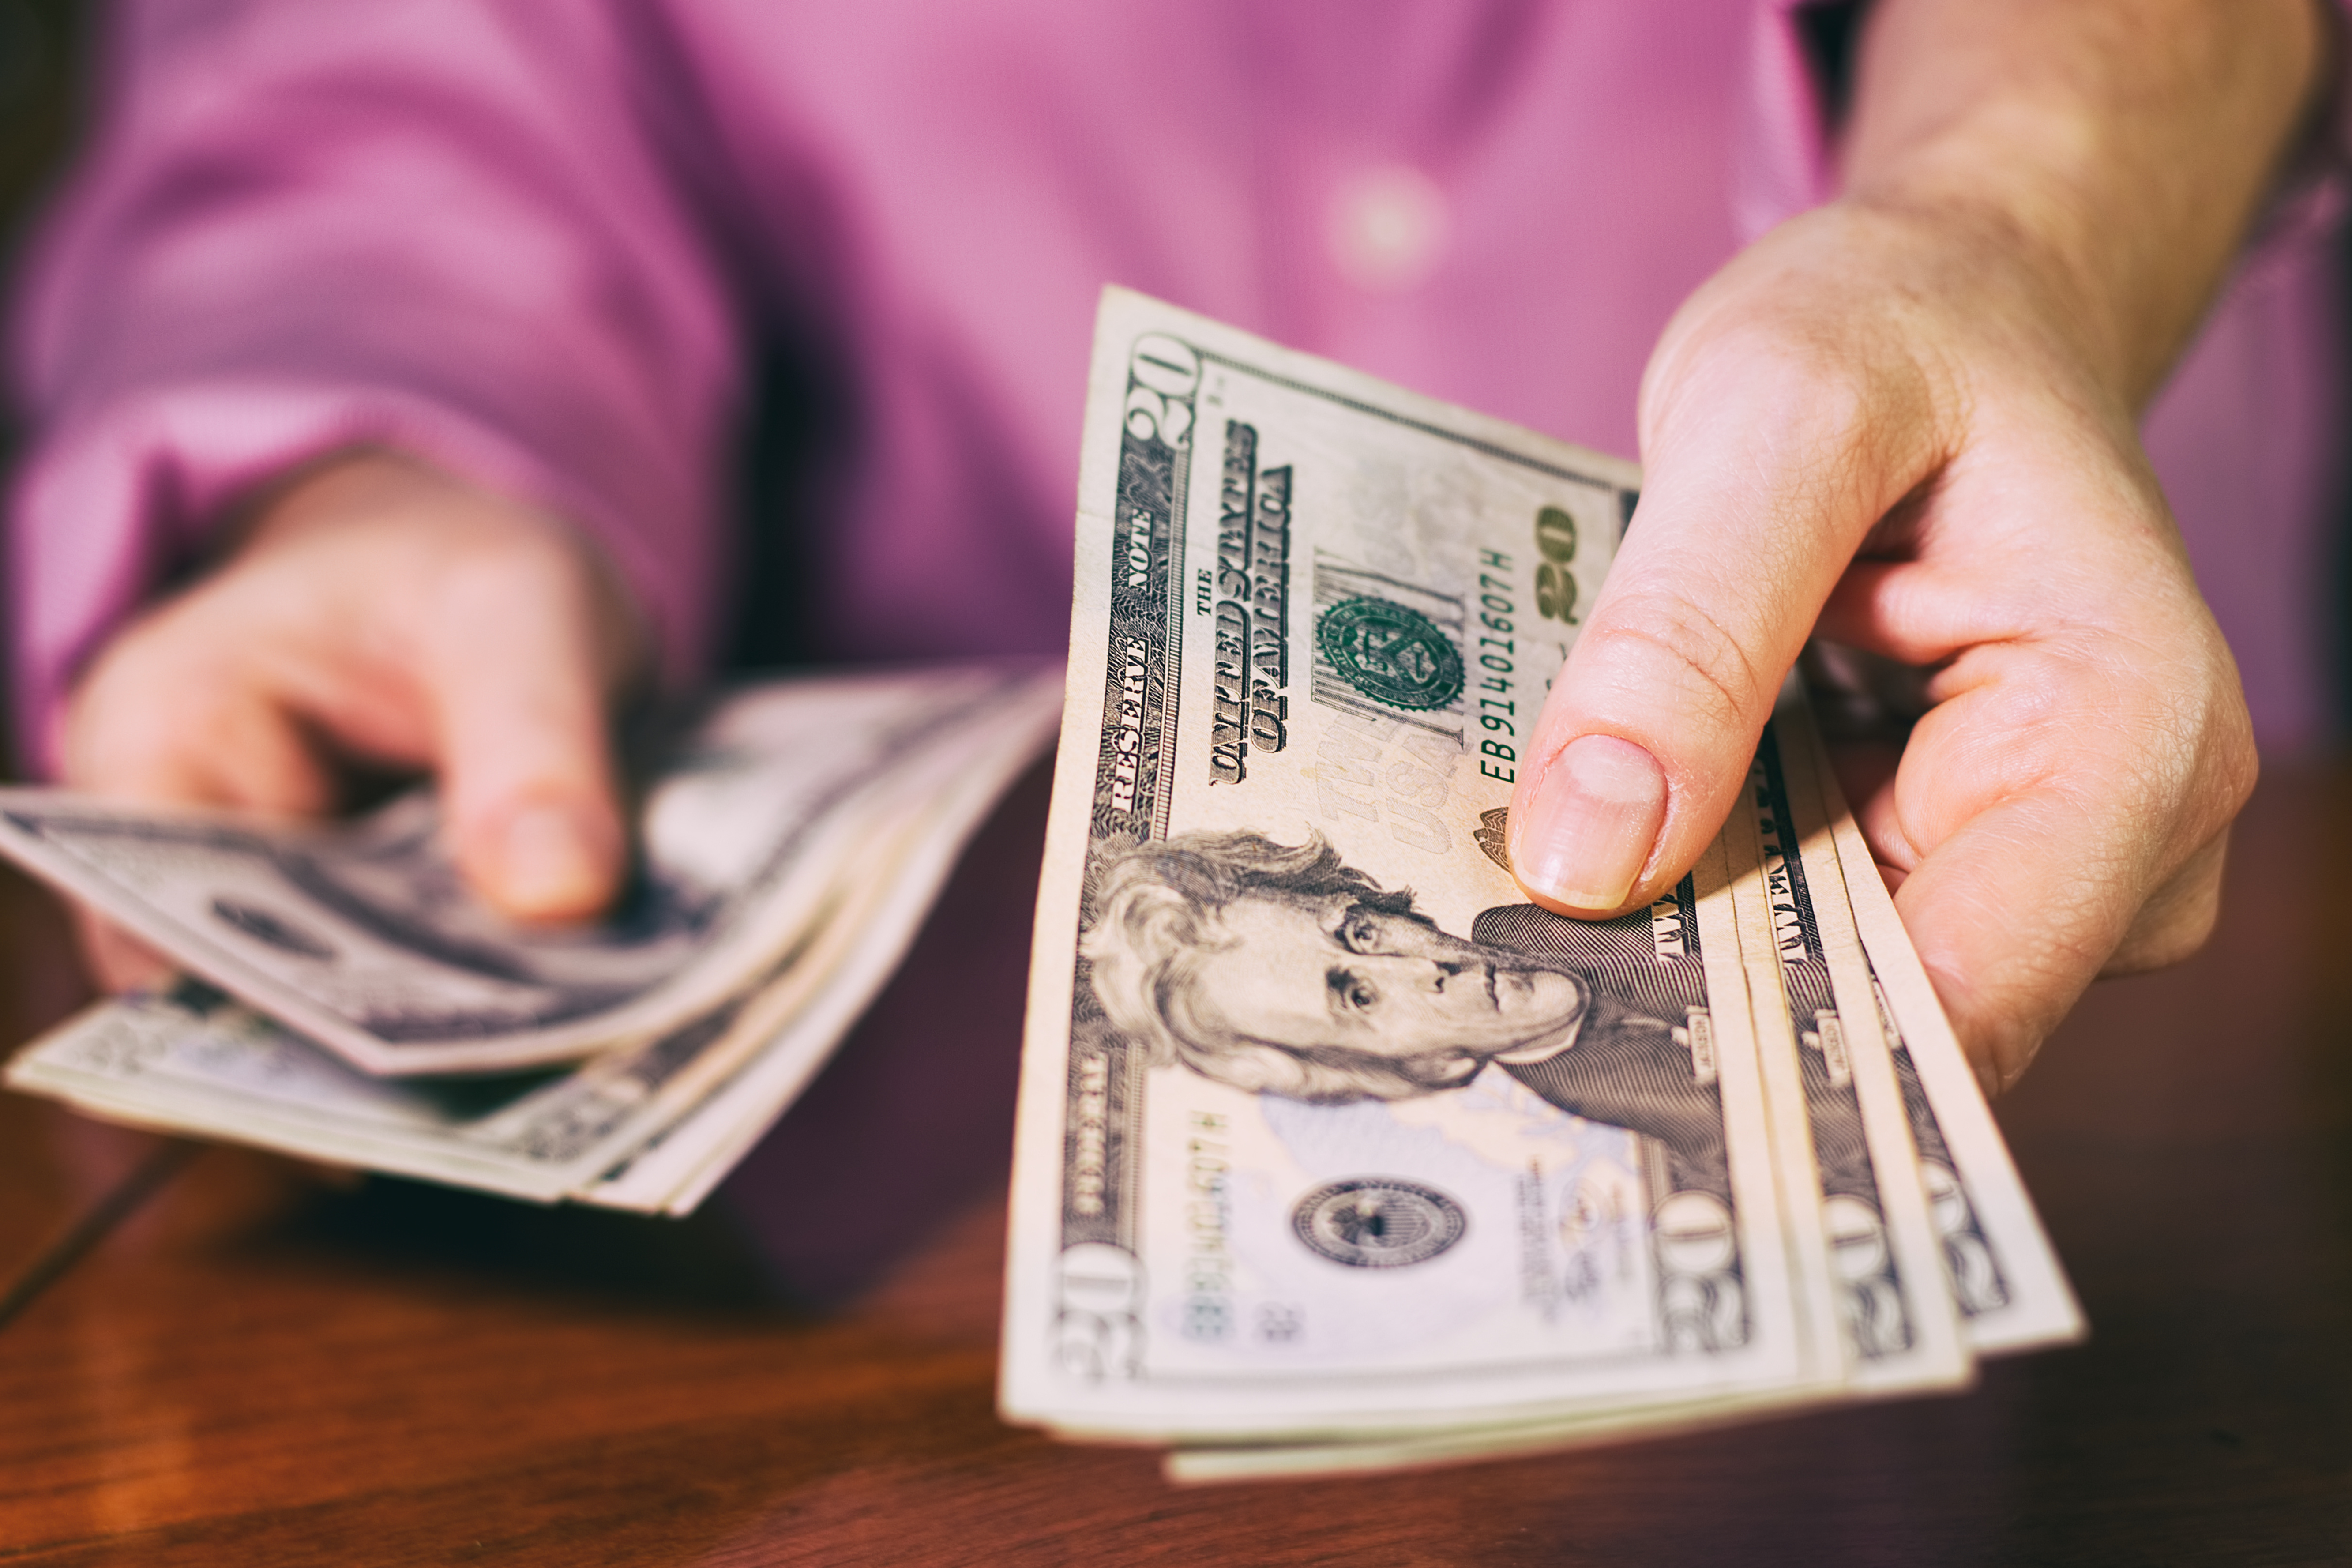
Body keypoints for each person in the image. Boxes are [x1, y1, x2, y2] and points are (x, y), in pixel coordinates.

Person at [8, 0, 2340, 1092]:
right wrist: (375, 477)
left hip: (2125, 951)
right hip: (882, 1186)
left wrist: (2015, 213)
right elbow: (391, 78)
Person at [1082, 827, 1739, 1205]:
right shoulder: (1602, 1144)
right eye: (1359, 998)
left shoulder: (1557, 907)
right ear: (1393, 1067)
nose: (1425, 970)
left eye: (1362, 933)